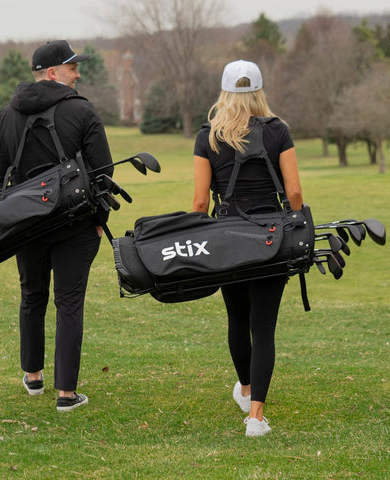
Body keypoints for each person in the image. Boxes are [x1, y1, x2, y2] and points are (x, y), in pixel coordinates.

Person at [0, 40, 113, 412]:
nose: (78, 73)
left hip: (26, 228)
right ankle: (66, 394)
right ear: (53, 73)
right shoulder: (82, 111)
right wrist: (99, 220)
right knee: (69, 303)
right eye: (72, 67)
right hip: (75, 225)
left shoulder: (3, 117)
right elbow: (104, 172)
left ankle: (34, 375)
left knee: (32, 296)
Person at [192, 60, 303, 436]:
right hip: (271, 238)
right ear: (258, 91)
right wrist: (297, 221)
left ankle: (246, 388)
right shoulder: (278, 131)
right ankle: (255, 416)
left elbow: (198, 202)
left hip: (228, 239)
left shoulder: (208, 136)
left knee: (237, 319)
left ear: (224, 92)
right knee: (264, 327)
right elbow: (294, 193)